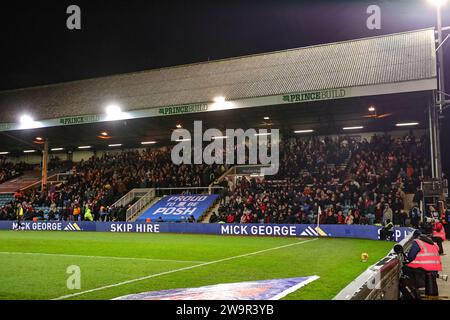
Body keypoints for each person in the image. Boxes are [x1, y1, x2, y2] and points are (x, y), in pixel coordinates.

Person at [404, 231, 442, 296]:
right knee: (433, 282)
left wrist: (407, 261)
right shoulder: (433, 243)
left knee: (406, 269)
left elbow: (411, 256)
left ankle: (416, 292)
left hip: (423, 269)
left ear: (415, 237)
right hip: (435, 268)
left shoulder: (417, 242)